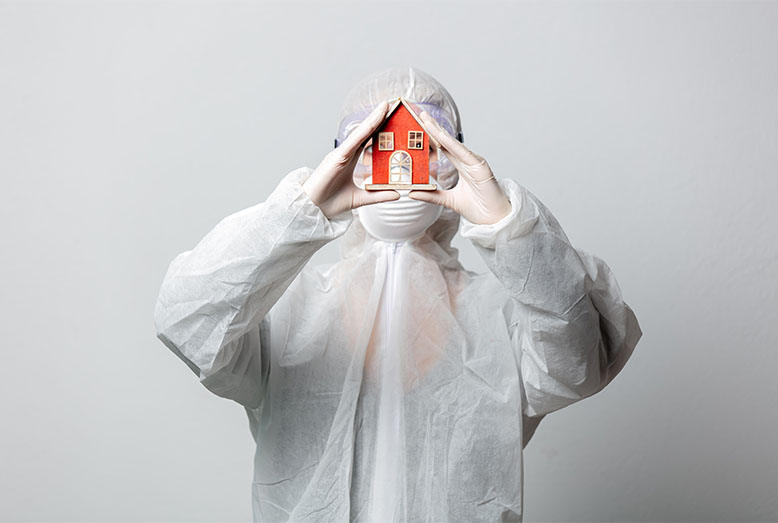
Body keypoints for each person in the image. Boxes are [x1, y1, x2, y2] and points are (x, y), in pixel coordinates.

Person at [154, 66, 642, 522]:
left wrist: (510, 227)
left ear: (452, 157)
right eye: (372, 143)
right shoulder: (287, 310)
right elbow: (187, 319)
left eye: (426, 146)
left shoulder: (503, 317)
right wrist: (301, 211)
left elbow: (584, 353)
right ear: (343, 158)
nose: (402, 163)